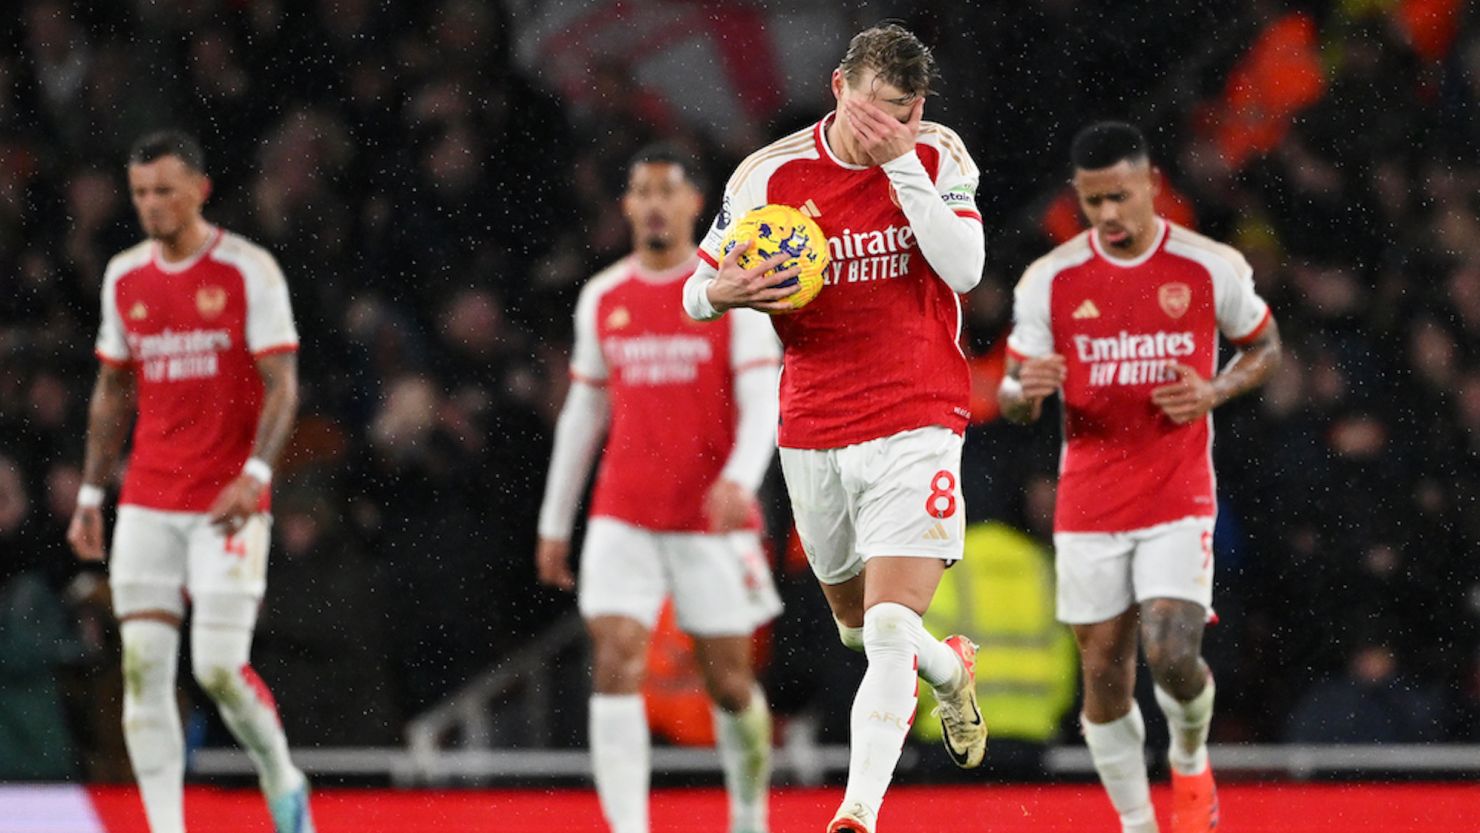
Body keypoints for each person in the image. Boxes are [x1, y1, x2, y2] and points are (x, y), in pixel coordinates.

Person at [682, 24, 988, 833]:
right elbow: (693, 289)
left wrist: (901, 165)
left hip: (919, 414)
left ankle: (857, 813)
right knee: (859, 630)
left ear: (917, 106)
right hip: (815, 422)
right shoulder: (770, 174)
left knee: (888, 624)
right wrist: (726, 293)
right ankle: (949, 667)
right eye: (866, 108)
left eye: (898, 112)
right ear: (837, 87)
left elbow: (964, 270)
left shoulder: (937, 153)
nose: (878, 124)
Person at [998, 121, 1282, 833]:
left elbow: (1265, 345)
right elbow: (1010, 394)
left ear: (1151, 184)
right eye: (1094, 202)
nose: (1109, 216)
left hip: (1176, 494)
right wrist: (1025, 390)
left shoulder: (1209, 266)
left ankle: (1189, 758)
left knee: (1171, 649)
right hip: (1089, 502)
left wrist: (1215, 390)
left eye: (1120, 197)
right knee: (1102, 672)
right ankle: (1136, 822)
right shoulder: (1050, 279)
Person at [65, 131, 314, 833]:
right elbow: (112, 390)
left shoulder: (248, 270)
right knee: (142, 675)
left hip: (228, 504)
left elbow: (283, 386)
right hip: (147, 498)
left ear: (199, 190)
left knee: (217, 669)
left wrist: (256, 475)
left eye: (165, 190)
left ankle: (281, 773)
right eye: (140, 191)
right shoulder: (124, 277)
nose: (151, 204)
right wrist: (91, 493)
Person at [536, 144, 784, 833]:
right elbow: (583, 414)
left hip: (709, 518)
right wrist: (556, 522)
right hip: (624, 513)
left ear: (694, 204)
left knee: (730, 683)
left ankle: (748, 813)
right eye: (640, 191)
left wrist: (740, 478)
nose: (652, 203)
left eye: (665, 190)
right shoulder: (604, 296)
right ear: (626, 207)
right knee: (615, 659)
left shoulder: (733, 292)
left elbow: (765, 398)